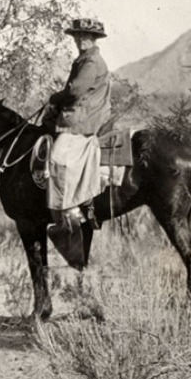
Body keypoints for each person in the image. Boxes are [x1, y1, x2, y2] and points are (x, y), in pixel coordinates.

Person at [43, 17, 112, 233]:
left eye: (87, 36)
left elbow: (75, 91)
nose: (82, 39)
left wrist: (55, 98)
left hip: (83, 119)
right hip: (79, 115)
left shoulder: (90, 62)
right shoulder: (83, 60)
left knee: (58, 159)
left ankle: (71, 213)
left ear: (94, 39)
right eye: (78, 35)